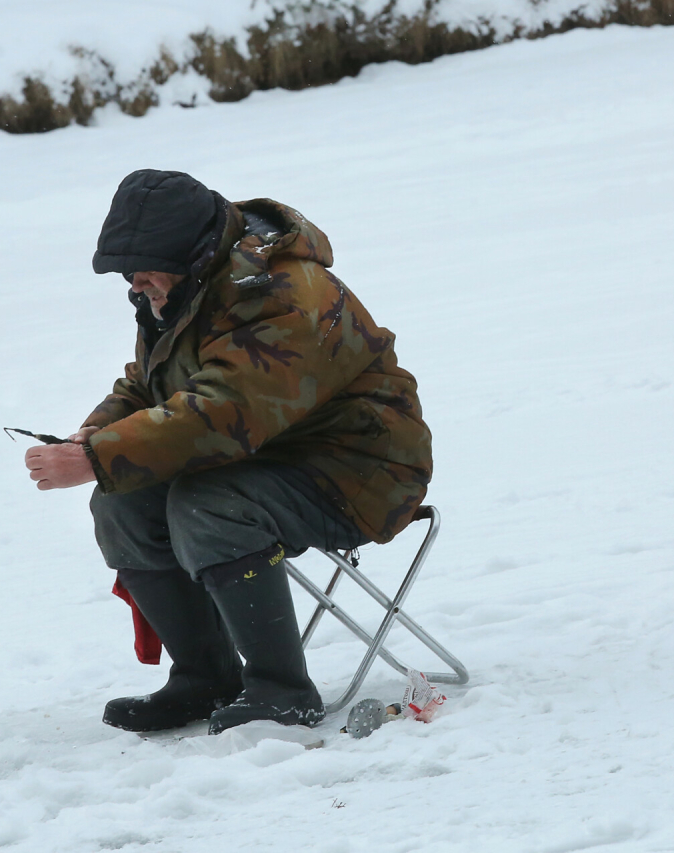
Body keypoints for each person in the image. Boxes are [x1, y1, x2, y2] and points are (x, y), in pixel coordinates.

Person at [23, 169, 432, 735]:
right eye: (126, 274)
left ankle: (282, 692)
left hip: (362, 469)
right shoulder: (186, 288)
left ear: (190, 254)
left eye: (143, 272)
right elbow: (149, 384)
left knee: (208, 505)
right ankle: (207, 677)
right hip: (271, 455)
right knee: (121, 504)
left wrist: (101, 458)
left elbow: (226, 411)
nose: (134, 285)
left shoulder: (283, 294)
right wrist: (92, 435)